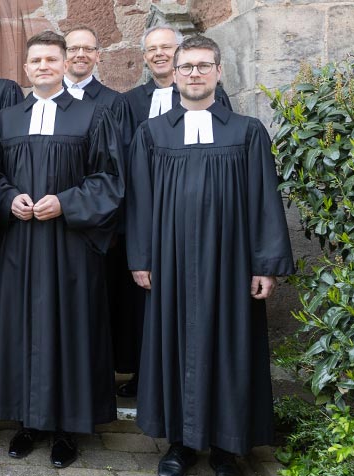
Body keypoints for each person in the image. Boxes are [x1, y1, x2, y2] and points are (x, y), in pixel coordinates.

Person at [126, 35, 293, 476]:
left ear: (219, 72)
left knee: (230, 347)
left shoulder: (247, 132)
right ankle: (180, 444)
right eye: (187, 67)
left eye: (204, 66)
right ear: (174, 75)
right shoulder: (151, 133)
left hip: (232, 264)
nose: (195, 73)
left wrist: (266, 265)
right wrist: (140, 258)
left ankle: (226, 446)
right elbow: (139, 201)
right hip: (170, 264)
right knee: (173, 347)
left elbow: (264, 201)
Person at [0, 31, 123, 469]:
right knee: (22, 328)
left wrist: (65, 202)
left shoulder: (92, 116)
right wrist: (9, 198)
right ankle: (28, 422)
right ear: (25, 70)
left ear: (66, 64)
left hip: (70, 247)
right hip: (20, 245)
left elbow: (108, 179)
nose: (44, 66)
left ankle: (67, 428)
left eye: (51, 59)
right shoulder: (6, 120)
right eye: (36, 61)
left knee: (69, 329)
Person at [109, 24, 233, 398]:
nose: (159, 54)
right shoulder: (129, 101)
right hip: (145, 213)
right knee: (141, 301)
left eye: (166, 48)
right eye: (152, 49)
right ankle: (143, 372)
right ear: (145, 57)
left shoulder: (217, 102)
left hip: (198, 223)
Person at [62, 26, 120, 110]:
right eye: (73, 49)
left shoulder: (114, 102)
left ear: (97, 56)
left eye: (88, 49)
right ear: (62, 54)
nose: (80, 54)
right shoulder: (45, 96)